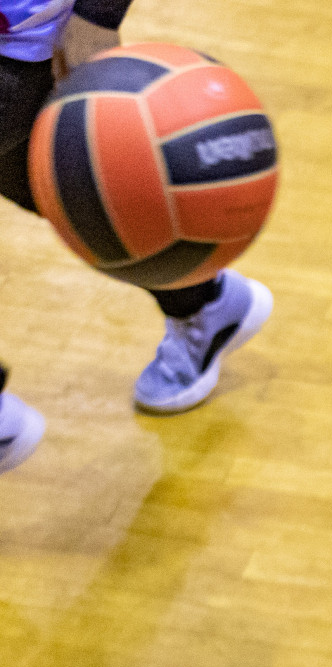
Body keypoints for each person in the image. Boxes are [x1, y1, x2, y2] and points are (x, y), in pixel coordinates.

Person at [0, 0, 271, 476]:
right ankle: (202, 301)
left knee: (78, 191)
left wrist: (98, 13)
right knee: (68, 193)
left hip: (15, 53)